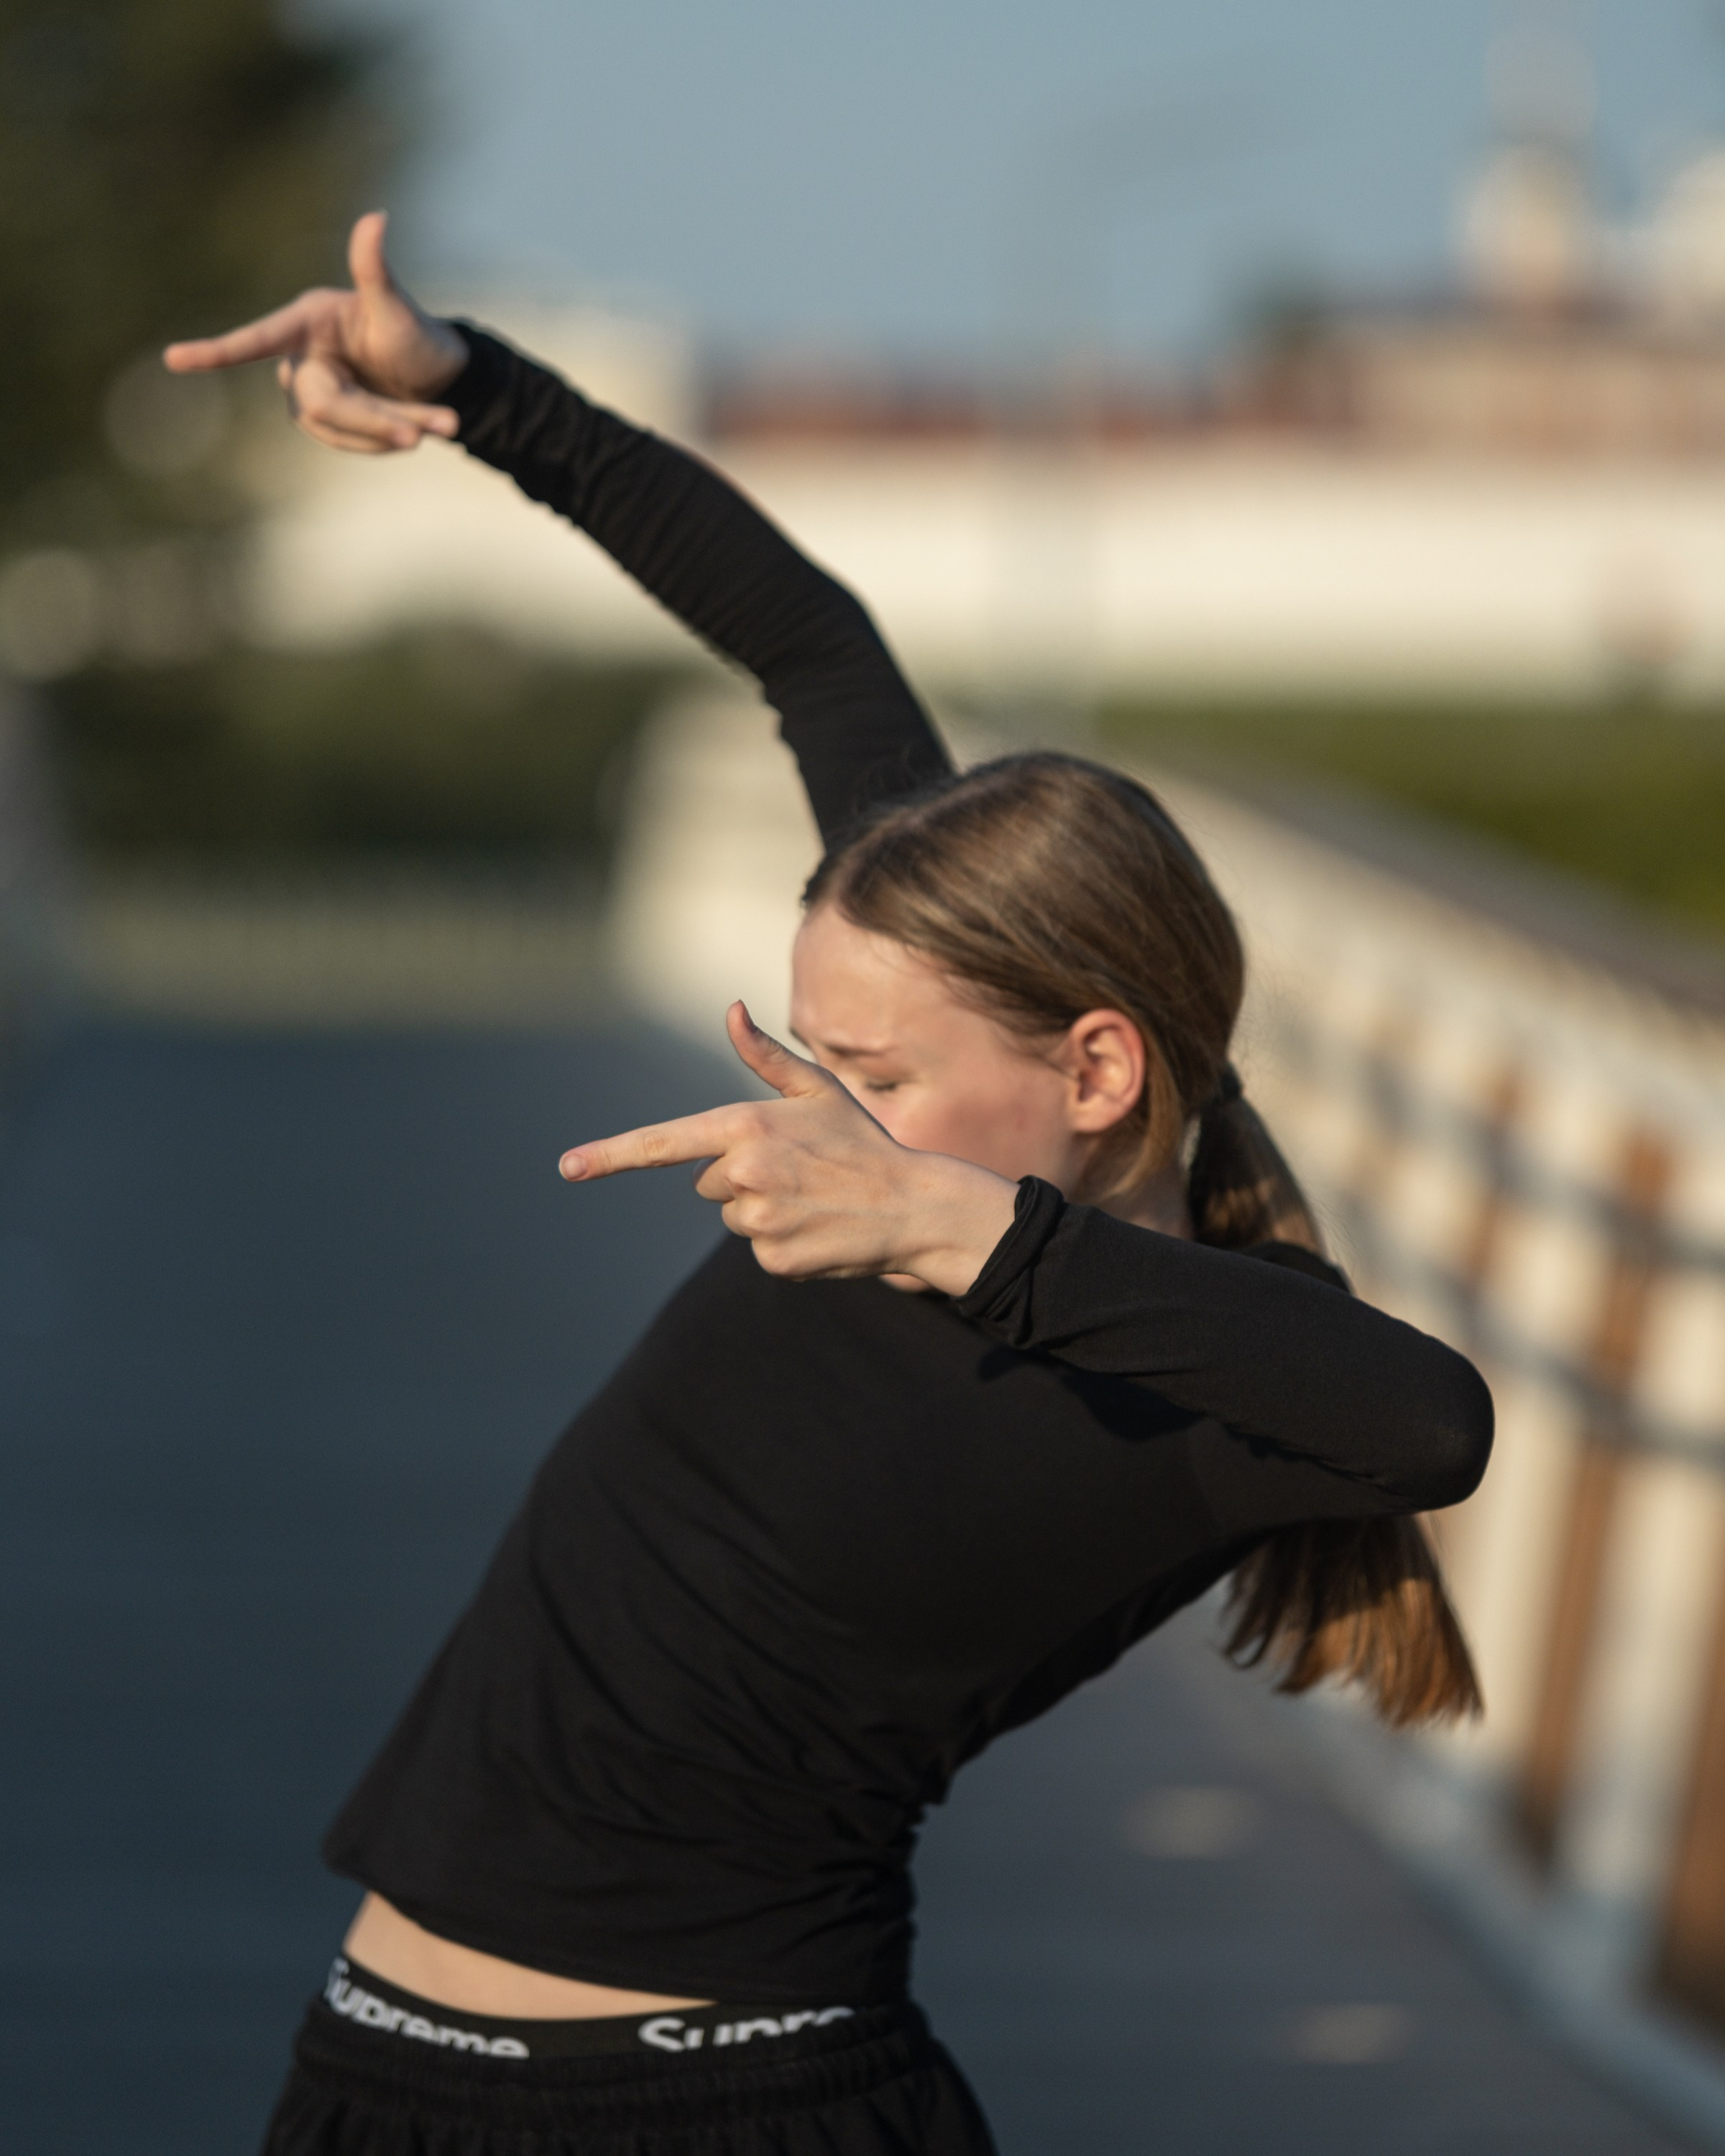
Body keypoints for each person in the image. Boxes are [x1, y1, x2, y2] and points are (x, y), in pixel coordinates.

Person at [167, 212, 1494, 2156]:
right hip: (380, 2079)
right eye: (805, 1049)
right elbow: (808, 635)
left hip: (730, 2109)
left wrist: (967, 1234)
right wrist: (480, 389)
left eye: (871, 1075)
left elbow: (1430, 1414)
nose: (812, 1111)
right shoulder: (892, 1130)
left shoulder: (1202, 1375)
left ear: (1098, 1067)